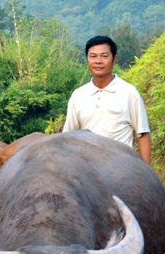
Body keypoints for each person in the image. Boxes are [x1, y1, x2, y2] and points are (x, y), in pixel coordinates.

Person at [63, 35, 151, 165]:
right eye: (93, 56)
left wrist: (145, 174)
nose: (98, 61)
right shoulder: (78, 95)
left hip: (122, 169)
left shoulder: (129, 92)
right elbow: (68, 137)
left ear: (114, 60)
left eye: (104, 56)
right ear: (87, 60)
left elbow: (143, 135)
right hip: (88, 171)